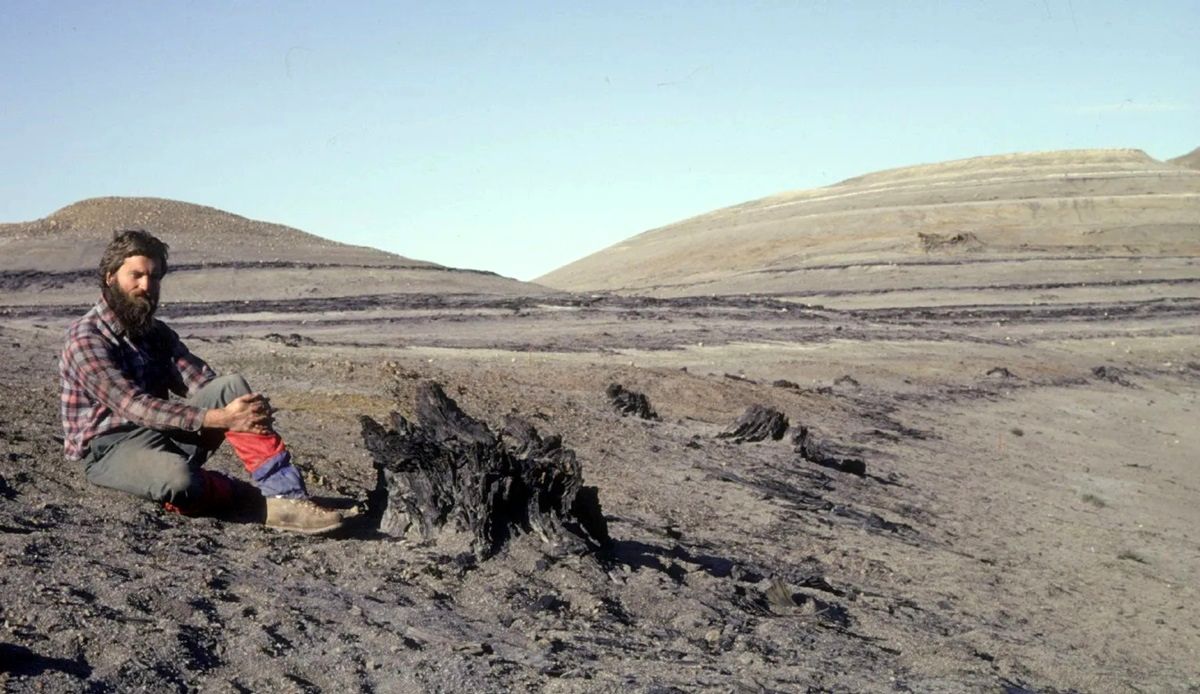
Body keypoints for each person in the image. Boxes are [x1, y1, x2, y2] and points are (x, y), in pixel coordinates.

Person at [59, 229, 347, 534]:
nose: (147, 285)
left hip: (156, 430)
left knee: (231, 387)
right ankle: (247, 498)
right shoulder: (86, 338)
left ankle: (289, 498)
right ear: (110, 277)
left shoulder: (155, 332)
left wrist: (243, 410)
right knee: (180, 482)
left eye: (154, 277)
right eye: (137, 275)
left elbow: (200, 381)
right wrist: (220, 418)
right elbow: (132, 406)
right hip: (110, 450)